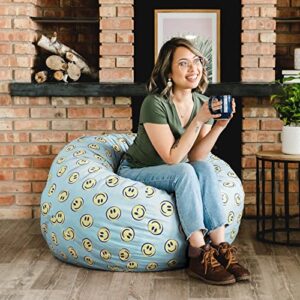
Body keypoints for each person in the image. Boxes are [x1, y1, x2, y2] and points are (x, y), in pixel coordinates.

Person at [117, 37, 250, 285]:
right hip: (138, 169)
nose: (194, 69)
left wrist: (219, 126)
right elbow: (173, 157)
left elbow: (197, 156)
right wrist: (199, 120)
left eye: (197, 61)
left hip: (173, 167)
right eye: (183, 63)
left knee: (203, 167)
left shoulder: (201, 103)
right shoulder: (154, 103)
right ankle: (198, 253)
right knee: (184, 172)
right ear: (168, 71)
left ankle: (221, 246)